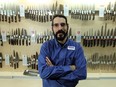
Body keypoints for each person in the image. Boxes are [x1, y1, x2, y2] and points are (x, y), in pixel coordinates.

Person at [38, 14, 87, 87]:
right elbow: (43, 73)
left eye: (63, 24)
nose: (60, 28)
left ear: (67, 27)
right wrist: (70, 68)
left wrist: (53, 71)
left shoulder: (77, 48)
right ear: (52, 28)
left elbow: (82, 73)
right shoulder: (46, 47)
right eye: (56, 25)